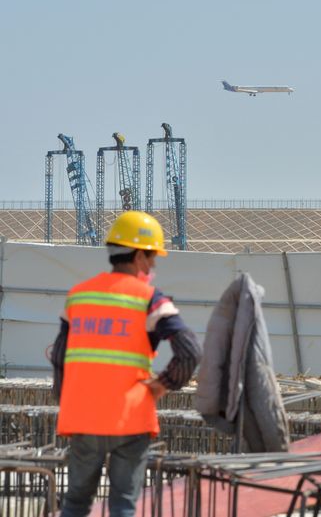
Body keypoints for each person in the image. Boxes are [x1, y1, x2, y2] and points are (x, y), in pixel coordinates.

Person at [50, 211, 202, 517]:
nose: (154, 265)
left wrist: (66, 401)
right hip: (130, 418)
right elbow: (191, 352)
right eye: (153, 257)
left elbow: (58, 356)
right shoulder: (150, 299)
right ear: (140, 257)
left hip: (83, 417)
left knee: (76, 504)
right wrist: (163, 385)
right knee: (122, 506)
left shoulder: (78, 296)